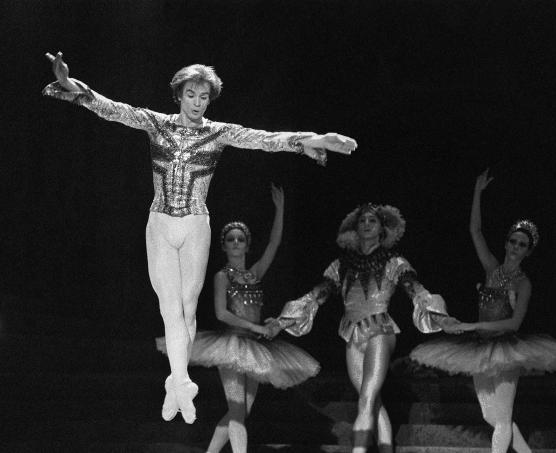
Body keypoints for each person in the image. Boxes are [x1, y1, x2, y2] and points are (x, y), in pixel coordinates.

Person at [43, 51, 355, 424]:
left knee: (188, 308)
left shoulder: (217, 132)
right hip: (160, 223)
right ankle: (180, 381)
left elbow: (262, 139)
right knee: (169, 308)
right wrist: (68, 83)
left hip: (195, 224)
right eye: (191, 94)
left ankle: (177, 382)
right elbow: (112, 109)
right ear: (179, 94)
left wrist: (312, 139)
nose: (197, 102)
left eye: (204, 97)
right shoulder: (156, 123)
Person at [410, 169, 556, 453]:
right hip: (479, 348)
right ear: (506, 243)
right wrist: (477, 192)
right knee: (490, 416)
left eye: (523, 245)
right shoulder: (492, 269)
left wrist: (470, 326)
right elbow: (475, 231)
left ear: (528, 252)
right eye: (513, 241)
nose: (516, 247)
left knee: (502, 418)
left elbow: (514, 324)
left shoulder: (523, 283)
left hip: (506, 349)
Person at [266, 203, 460, 453]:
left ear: (382, 229)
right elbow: (314, 296)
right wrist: (280, 323)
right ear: (355, 229)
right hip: (351, 334)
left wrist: (442, 319)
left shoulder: (394, 262)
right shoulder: (341, 265)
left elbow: (417, 292)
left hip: (380, 330)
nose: (366, 224)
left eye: (372, 221)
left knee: (366, 400)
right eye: (362, 221)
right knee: (371, 402)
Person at [157, 184, 320, 453]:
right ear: (224, 246)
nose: (235, 243)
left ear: (247, 245)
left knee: (241, 412)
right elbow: (222, 313)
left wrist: (280, 210)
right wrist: (257, 327)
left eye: (240, 239)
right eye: (231, 239)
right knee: (236, 409)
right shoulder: (222, 276)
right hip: (231, 346)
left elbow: (274, 244)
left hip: (255, 347)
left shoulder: (254, 273)